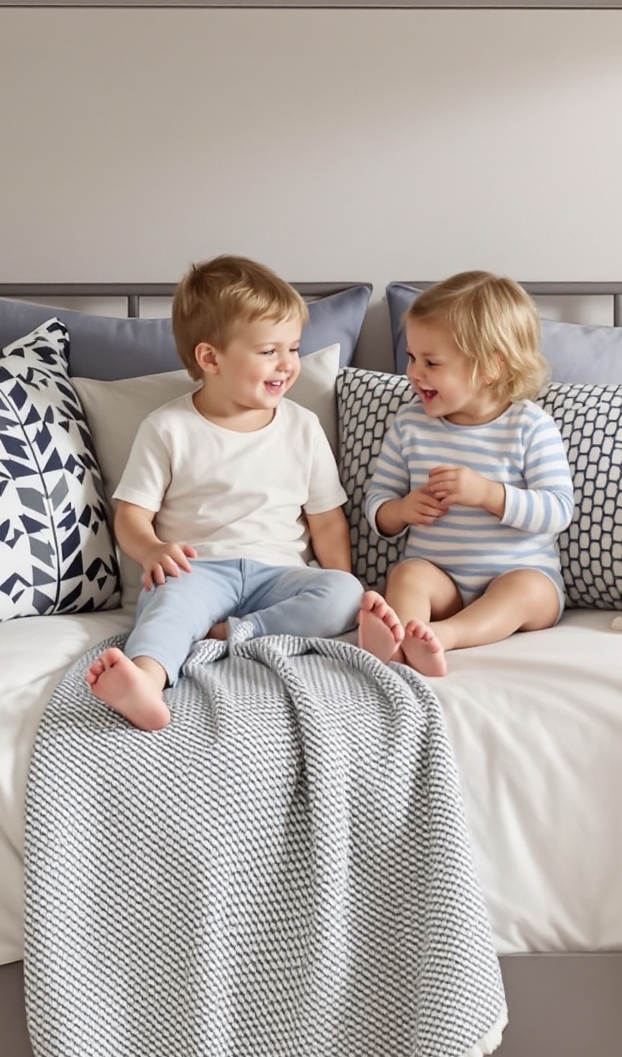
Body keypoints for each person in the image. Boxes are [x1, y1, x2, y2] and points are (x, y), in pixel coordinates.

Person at [86, 253, 398, 729]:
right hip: (198, 570)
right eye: (269, 351)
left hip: (279, 577)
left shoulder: (303, 426)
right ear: (210, 358)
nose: (288, 365)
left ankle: (227, 634)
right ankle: (145, 682)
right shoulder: (168, 427)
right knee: (168, 605)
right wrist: (152, 551)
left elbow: (327, 521)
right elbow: (130, 515)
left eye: (293, 348)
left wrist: (344, 594)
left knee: (345, 591)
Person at [358, 270, 572, 677]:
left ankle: (445, 635)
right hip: (444, 582)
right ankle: (399, 639)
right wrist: (402, 510)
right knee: (408, 573)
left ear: (490, 368)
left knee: (526, 589)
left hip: (519, 575)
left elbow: (558, 510)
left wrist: (491, 495)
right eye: (411, 358)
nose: (414, 373)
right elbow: (377, 506)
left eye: (431, 362)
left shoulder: (529, 426)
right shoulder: (409, 426)